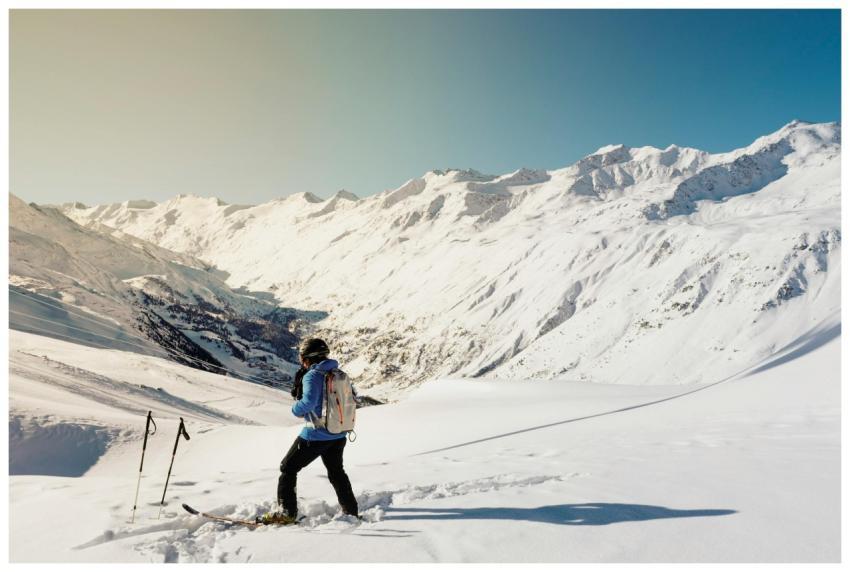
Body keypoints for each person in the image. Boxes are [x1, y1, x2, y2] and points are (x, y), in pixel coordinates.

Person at [268, 338, 359, 524]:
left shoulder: (312, 375)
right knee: (336, 472)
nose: (301, 361)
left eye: (302, 357)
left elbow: (307, 403)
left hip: (315, 435)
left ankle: (286, 513)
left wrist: (295, 408)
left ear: (307, 358)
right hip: (339, 433)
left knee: (288, 468)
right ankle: (351, 510)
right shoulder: (338, 373)